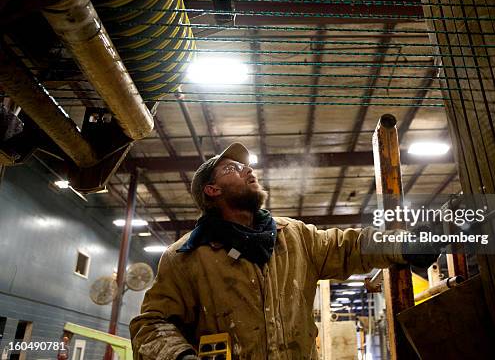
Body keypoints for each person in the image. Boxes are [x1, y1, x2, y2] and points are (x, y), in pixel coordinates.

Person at [129, 143, 436, 360]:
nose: (248, 169)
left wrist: (403, 245)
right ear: (213, 190)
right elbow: (151, 324)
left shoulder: (295, 237)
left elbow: (349, 246)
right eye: (232, 168)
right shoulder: (186, 257)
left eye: (247, 166)